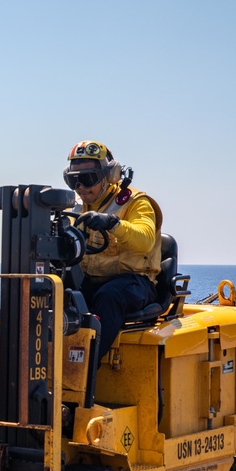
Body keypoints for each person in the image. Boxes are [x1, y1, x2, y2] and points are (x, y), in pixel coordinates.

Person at [64, 140, 163, 362]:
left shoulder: (137, 202)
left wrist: (112, 223)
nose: (80, 187)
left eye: (87, 178)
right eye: (74, 180)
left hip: (135, 282)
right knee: (52, 289)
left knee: (109, 296)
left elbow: (145, 239)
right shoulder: (77, 209)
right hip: (92, 280)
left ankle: (85, 371)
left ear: (109, 175)